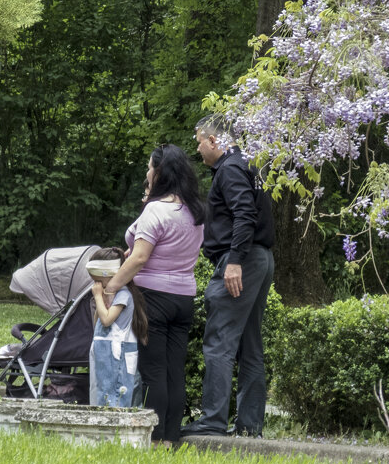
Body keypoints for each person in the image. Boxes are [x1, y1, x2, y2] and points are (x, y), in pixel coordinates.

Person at [102, 144, 205, 446]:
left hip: (153, 299)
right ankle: (172, 438)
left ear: (159, 172)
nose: (147, 172)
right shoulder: (194, 211)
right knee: (175, 371)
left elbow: (140, 258)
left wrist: (111, 288)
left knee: (154, 371)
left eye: (149, 167)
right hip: (184, 298)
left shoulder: (156, 211)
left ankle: (155, 438)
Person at [182, 114, 275, 437]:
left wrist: (234, 260)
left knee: (219, 341)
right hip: (260, 258)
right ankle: (249, 425)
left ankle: (212, 421)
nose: (197, 148)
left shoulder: (231, 168)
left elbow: (244, 214)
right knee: (249, 344)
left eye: (199, 141)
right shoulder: (247, 164)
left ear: (214, 140)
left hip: (243, 261)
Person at [88, 247, 149, 408]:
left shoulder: (123, 295)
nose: (96, 285)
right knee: (101, 393)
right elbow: (98, 324)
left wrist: (97, 297)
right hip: (104, 355)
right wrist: (101, 299)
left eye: (98, 281)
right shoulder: (110, 296)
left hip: (116, 356)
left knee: (115, 396)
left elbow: (107, 320)